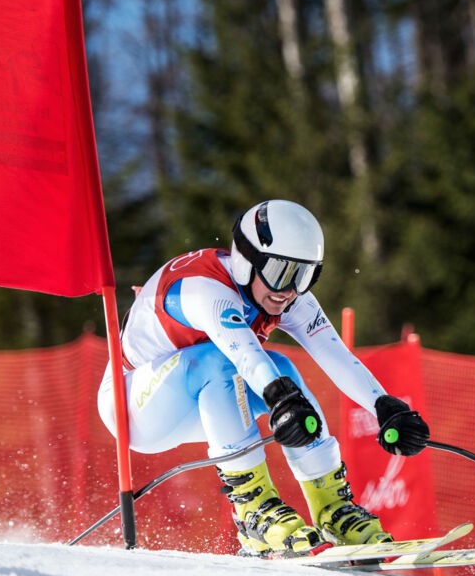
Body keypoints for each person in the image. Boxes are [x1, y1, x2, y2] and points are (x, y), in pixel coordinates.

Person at [96, 199, 430, 557]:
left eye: (303, 275)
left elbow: (335, 356)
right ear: (247, 261)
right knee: (222, 362)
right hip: (133, 406)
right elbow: (245, 354)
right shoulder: (206, 289)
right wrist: (282, 401)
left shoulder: (281, 294)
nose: (288, 289)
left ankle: (333, 508)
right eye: (279, 272)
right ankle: (253, 509)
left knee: (282, 369)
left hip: (200, 398)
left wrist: (385, 407)